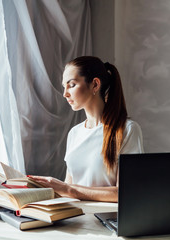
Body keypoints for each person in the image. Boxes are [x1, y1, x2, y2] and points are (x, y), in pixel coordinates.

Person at [29, 56, 144, 202]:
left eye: (71, 85)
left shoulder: (128, 130)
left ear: (95, 85)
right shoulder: (74, 133)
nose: (65, 94)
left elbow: (126, 192)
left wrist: (68, 189)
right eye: (64, 86)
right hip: (75, 216)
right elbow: (68, 189)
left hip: (106, 220)